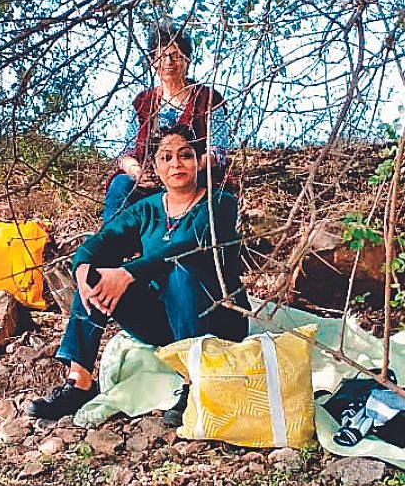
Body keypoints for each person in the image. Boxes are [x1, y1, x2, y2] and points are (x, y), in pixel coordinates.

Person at [29, 124, 249, 421]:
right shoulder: (147, 209)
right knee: (96, 275)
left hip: (217, 319)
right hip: (163, 324)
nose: (176, 164)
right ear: (155, 167)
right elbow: (101, 242)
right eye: (166, 157)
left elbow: (190, 245)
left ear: (198, 160)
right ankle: (79, 382)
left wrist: (129, 273)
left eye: (185, 155)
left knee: (181, 268)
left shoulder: (220, 203)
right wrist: (82, 269)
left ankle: (193, 383)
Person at [103, 19, 229, 222]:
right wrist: (137, 171)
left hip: (192, 178)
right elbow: (126, 153)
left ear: (187, 60)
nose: (168, 62)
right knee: (121, 186)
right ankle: (111, 245)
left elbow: (219, 152)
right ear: (153, 62)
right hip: (150, 181)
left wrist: (183, 168)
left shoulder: (208, 99)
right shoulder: (143, 102)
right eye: (162, 56)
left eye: (176, 55)